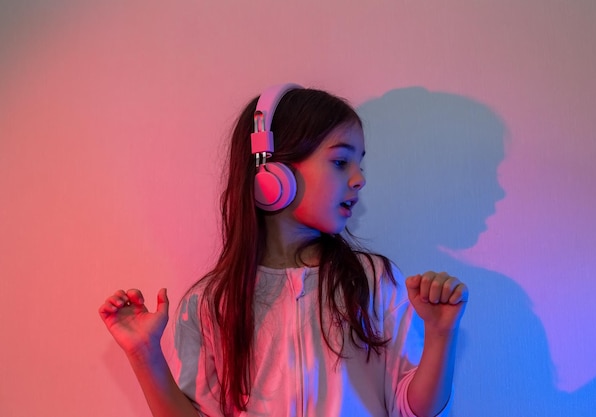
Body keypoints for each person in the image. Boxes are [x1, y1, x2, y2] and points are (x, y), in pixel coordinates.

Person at [98, 84, 469, 417]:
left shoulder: (372, 280)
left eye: (359, 163)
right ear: (271, 177)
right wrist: (145, 354)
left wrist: (440, 335)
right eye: (341, 162)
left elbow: (415, 410)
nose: (359, 179)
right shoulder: (210, 303)